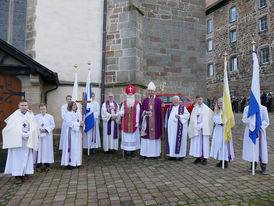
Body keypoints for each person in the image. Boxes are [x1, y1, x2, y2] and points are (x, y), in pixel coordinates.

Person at [3, 100, 39, 184]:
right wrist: (22, 134)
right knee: (17, 159)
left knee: (27, 157)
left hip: (27, 140)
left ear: (27, 106)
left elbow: (34, 126)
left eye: (25, 105)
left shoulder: (30, 115)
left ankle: (25, 174)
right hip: (17, 141)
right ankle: (17, 176)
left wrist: (30, 133)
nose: (24, 107)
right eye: (22, 105)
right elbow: (11, 128)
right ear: (19, 106)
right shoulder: (14, 116)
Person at [242, 104, 269, 175]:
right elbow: (244, 119)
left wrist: (259, 126)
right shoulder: (247, 108)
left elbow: (266, 120)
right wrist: (252, 122)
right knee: (251, 147)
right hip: (250, 130)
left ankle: (263, 165)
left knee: (261, 148)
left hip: (260, 131)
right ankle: (253, 163)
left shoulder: (263, 108)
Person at [189, 95, 214, 165]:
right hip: (196, 128)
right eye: (198, 100)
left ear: (203, 100)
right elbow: (192, 118)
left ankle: (205, 158)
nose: (199, 101)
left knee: (204, 143)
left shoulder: (206, 109)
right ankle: (198, 157)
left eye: (200, 99)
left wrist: (202, 125)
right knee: (197, 143)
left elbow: (209, 118)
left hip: (203, 128)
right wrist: (196, 125)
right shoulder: (195, 108)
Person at [140, 81, 162, 158]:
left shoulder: (158, 100)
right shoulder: (145, 100)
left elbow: (160, 113)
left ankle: (154, 154)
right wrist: (145, 112)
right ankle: (145, 153)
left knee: (154, 138)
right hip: (147, 123)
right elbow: (141, 110)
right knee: (146, 138)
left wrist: (160, 124)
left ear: (154, 91)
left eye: (152, 91)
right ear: (148, 91)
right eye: (149, 91)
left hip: (155, 123)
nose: (150, 92)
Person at [210, 98, 234, 168]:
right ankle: (221, 159)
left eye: (221, 102)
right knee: (219, 144)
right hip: (218, 129)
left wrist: (226, 123)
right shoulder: (217, 111)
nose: (220, 104)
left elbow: (232, 121)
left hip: (225, 130)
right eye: (219, 103)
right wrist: (220, 122)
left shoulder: (228, 111)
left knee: (224, 144)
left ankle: (225, 160)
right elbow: (214, 119)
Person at [165, 96, 190, 161]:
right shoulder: (169, 108)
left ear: (179, 101)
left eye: (176, 100)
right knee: (171, 141)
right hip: (171, 129)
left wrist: (180, 116)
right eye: (174, 100)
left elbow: (187, 115)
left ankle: (181, 155)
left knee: (180, 141)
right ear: (172, 101)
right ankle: (172, 155)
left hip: (179, 129)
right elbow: (166, 118)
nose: (175, 101)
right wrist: (166, 125)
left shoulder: (183, 108)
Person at [119, 85, 140, 158]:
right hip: (125, 122)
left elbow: (138, 113)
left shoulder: (137, 103)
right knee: (125, 137)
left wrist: (137, 122)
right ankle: (124, 151)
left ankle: (132, 152)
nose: (130, 95)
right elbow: (121, 112)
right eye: (129, 94)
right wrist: (121, 112)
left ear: (133, 95)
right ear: (127, 95)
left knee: (133, 138)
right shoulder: (124, 103)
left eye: (131, 94)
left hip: (134, 123)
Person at [61, 101, 84, 168]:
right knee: (71, 147)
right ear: (70, 106)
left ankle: (77, 162)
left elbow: (80, 121)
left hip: (78, 133)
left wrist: (82, 124)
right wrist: (78, 124)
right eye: (73, 105)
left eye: (75, 105)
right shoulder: (68, 114)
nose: (74, 106)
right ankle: (70, 163)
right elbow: (69, 123)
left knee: (77, 148)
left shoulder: (79, 113)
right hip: (71, 133)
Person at [33, 103, 55, 171]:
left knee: (47, 150)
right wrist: (39, 129)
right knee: (39, 150)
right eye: (41, 109)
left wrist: (46, 129)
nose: (43, 110)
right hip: (39, 136)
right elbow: (34, 125)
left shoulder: (50, 117)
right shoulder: (36, 117)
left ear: (46, 109)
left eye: (44, 109)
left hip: (47, 137)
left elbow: (53, 125)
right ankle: (38, 165)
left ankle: (47, 165)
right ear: (39, 110)